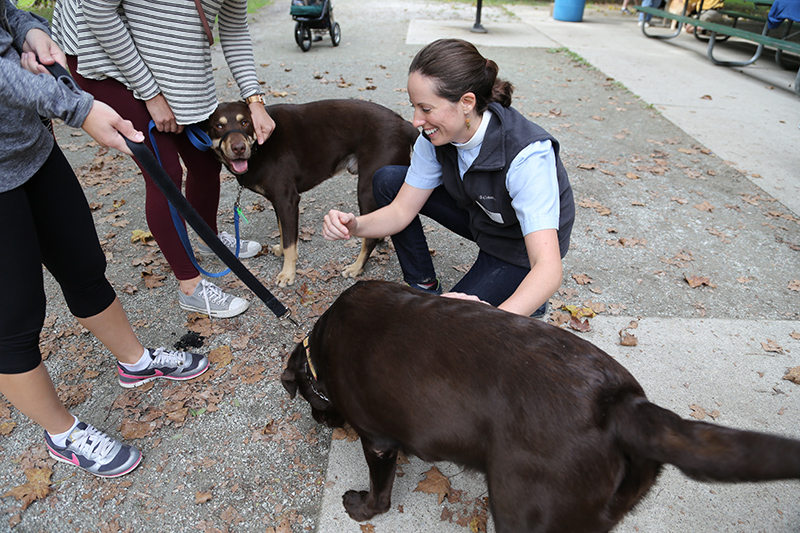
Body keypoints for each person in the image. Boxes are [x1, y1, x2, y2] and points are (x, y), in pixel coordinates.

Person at [1, 1, 209, 477]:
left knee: (83, 265)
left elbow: (7, 13)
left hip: (31, 150)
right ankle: (62, 434)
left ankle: (135, 362)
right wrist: (80, 106)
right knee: (12, 318)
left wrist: (31, 30)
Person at [51, 0, 276, 319]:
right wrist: (151, 94)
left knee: (204, 160)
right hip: (105, 57)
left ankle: (208, 237)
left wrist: (255, 100)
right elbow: (99, 12)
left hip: (166, 60)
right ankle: (191, 287)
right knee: (164, 172)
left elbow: (234, 25)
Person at [322, 39, 575, 318]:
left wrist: (497, 319)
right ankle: (424, 285)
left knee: (449, 322)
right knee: (388, 180)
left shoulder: (526, 156)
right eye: (414, 107)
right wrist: (354, 225)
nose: (416, 120)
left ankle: (529, 298)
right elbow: (400, 211)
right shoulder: (435, 138)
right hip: (482, 215)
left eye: (426, 109)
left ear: (467, 102)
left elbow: (549, 268)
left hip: (519, 245)